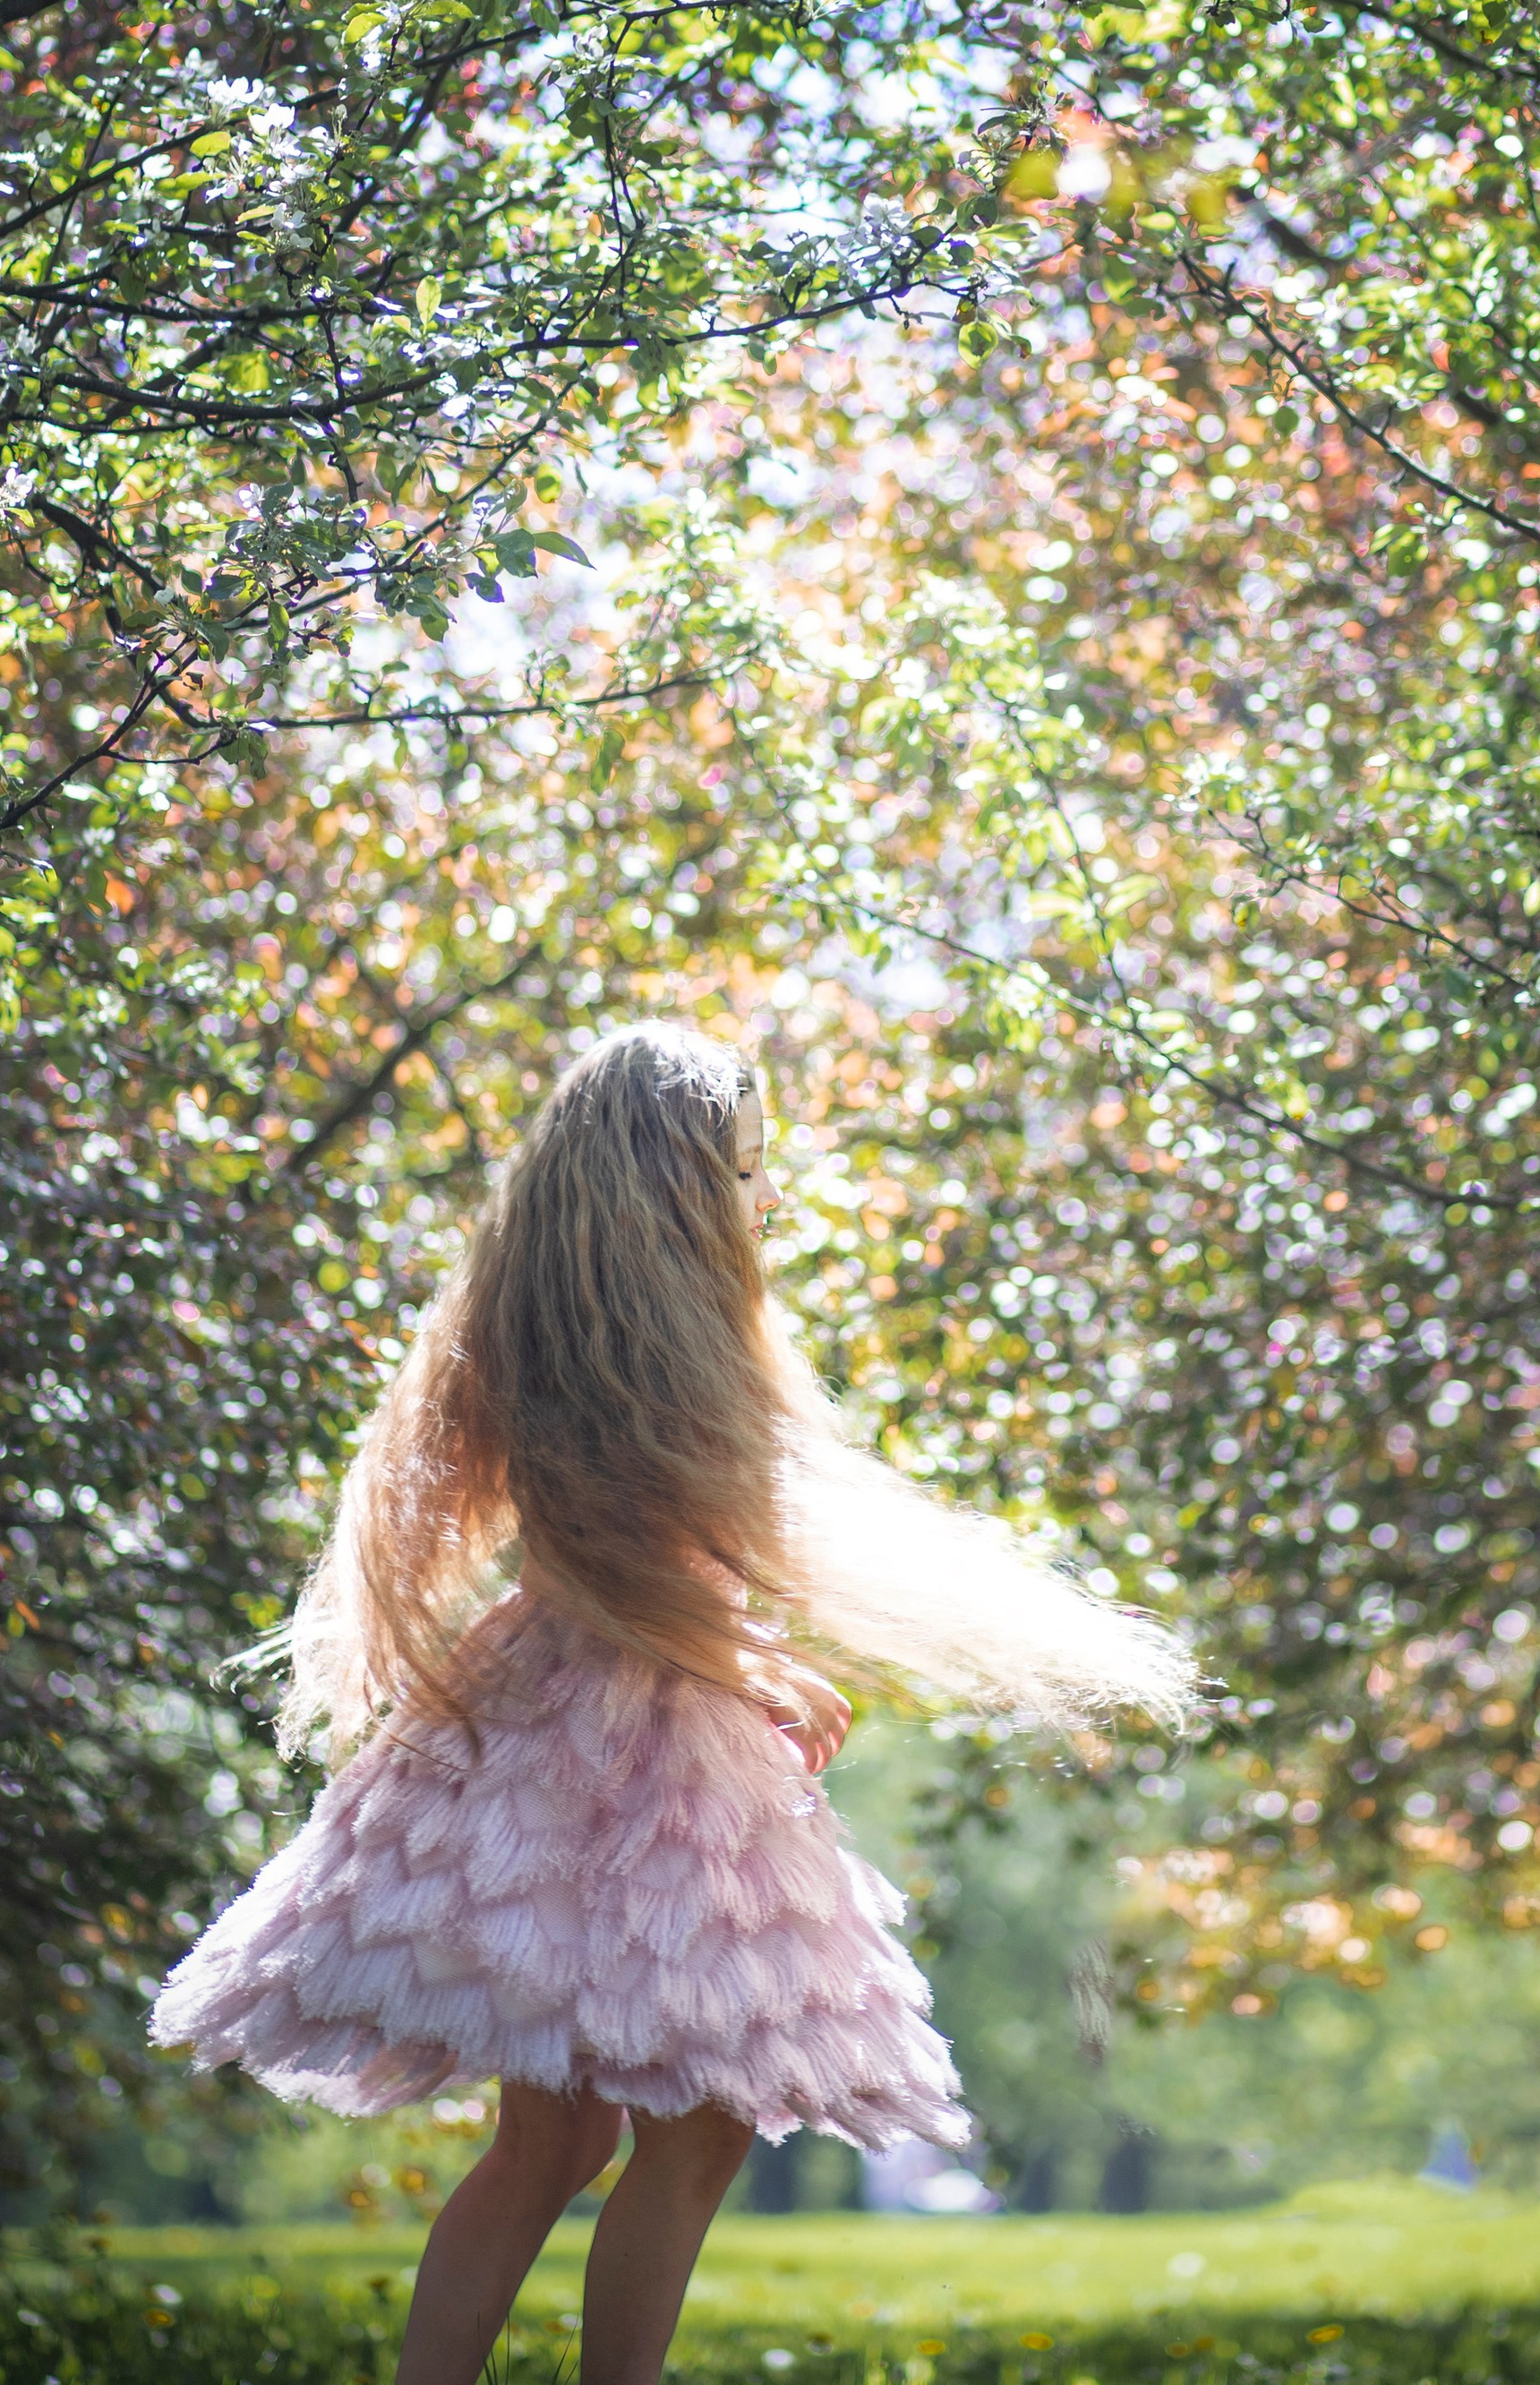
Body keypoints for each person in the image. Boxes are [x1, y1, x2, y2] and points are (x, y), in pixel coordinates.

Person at [151, 1022, 1193, 2385]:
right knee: (675, 2134)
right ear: (681, 1173)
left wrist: (743, 1651)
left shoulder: (563, 1311)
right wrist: (748, 1661)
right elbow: (600, 1556)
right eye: (750, 1168)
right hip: (630, 1735)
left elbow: (610, 1546)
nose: (769, 1198)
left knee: (562, 2137)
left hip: (571, 1723)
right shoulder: (623, 1337)